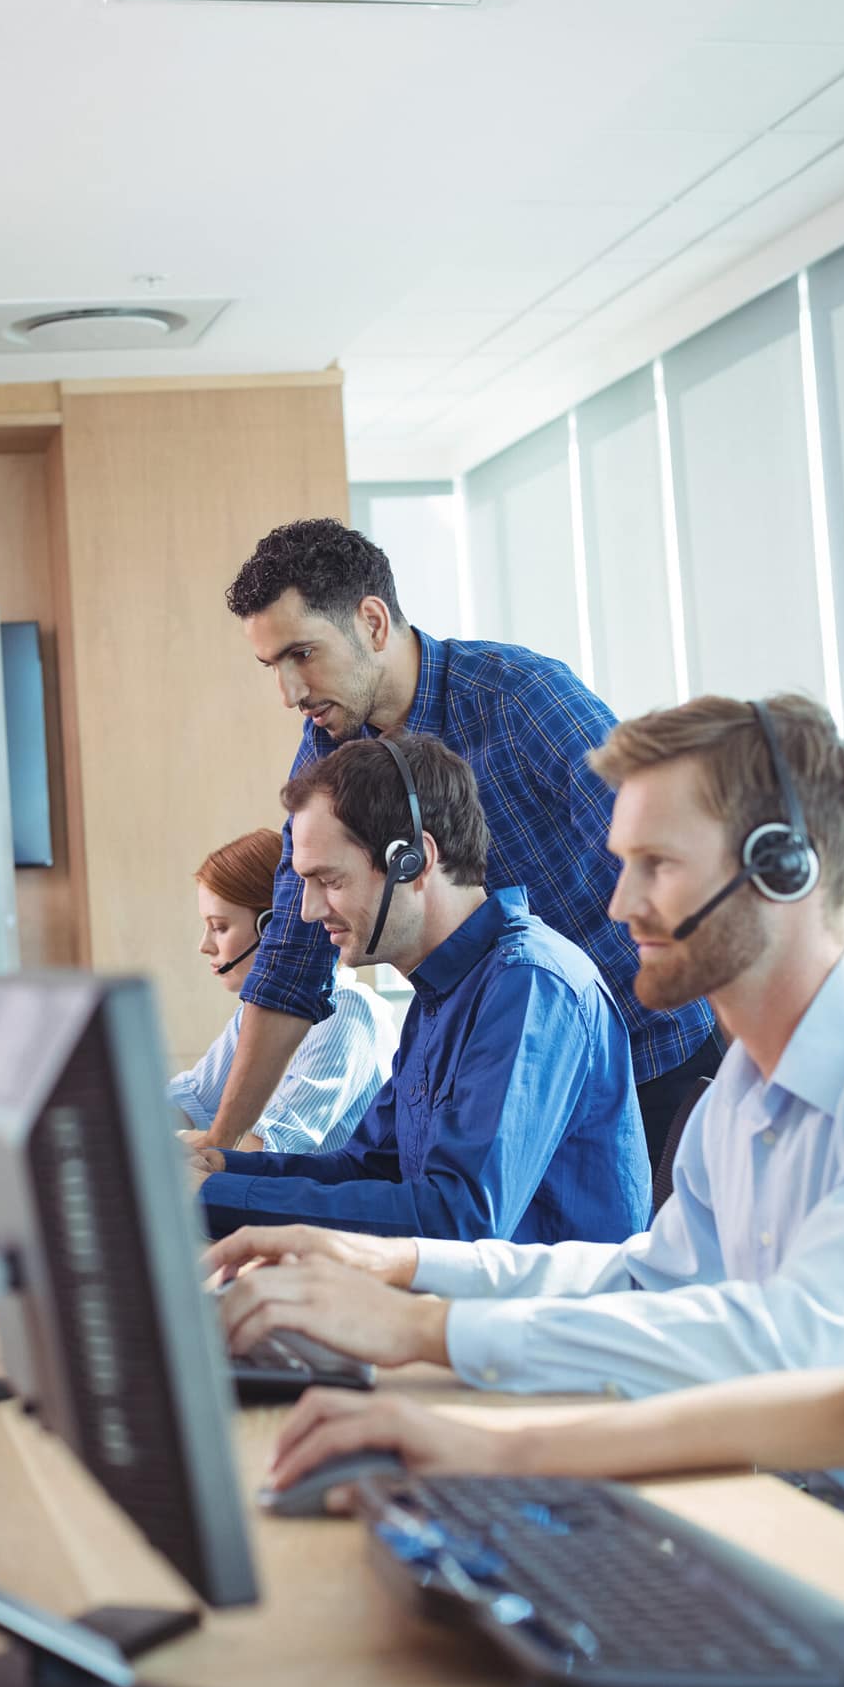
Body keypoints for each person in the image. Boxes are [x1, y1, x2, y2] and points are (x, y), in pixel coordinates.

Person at [208, 695, 844, 1545]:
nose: (619, 903)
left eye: (656, 864)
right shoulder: (738, 1090)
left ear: (784, 868)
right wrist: (398, 1263)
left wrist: (427, 1327)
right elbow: (648, 1282)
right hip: (761, 1506)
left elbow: (800, 1345)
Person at [189, 518, 720, 1171]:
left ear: (374, 623)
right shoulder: (325, 759)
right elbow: (290, 966)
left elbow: (666, 857)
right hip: (504, 1084)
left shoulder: (520, 698)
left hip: (649, 1059)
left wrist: (755, 1056)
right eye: (272, 665)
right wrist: (218, 1147)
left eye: (302, 654)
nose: (288, 693)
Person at [196, 733, 651, 1246]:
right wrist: (219, 1170)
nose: (308, 910)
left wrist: (208, 1199)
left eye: (330, 880)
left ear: (412, 861)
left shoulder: (530, 986)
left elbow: (459, 1219)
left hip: (549, 1320)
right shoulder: (443, 991)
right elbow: (370, 1166)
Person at [168, 827, 397, 1154]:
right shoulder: (252, 1016)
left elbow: (269, 1146)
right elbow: (193, 1096)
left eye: (219, 927)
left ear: (273, 927)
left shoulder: (346, 1011)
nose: (204, 946)